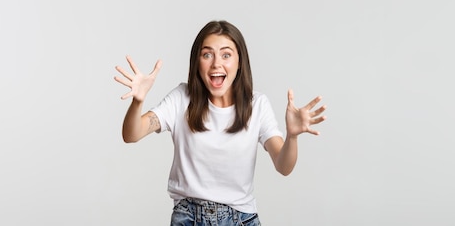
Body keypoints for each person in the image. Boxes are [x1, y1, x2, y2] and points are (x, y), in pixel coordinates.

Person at [113, 20, 326, 226]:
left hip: (241, 219)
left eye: (226, 54)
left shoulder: (257, 105)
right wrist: (138, 101)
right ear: (197, 62)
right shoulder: (181, 98)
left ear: (239, 61)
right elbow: (132, 134)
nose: (216, 63)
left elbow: (283, 165)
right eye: (207, 54)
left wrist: (293, 136)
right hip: (189, 218)